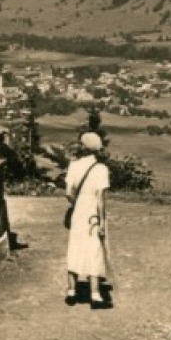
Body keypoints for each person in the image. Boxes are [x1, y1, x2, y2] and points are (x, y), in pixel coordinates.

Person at [63, 132, 113, 310]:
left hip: (78, 211)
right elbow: (100, 199)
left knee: (75, 246)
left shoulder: (73, 165)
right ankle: (95, 294)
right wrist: (101, 222)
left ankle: (71, 291)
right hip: (93, 212)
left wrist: (77, 204)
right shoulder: (101, 169)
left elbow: (68, 193)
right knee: (94, 249)